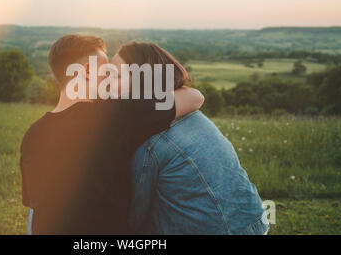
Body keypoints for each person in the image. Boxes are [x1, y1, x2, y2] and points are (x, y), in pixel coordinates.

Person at [20, 35, 205, 234]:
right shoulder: (111, 115)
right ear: (88, 72)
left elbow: (35, 203)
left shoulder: (33, 134)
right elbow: (194, 97)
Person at [111, 42, 269, 235]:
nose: (108, 83)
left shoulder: (150, 137)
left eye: (117, 76)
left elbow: (135, 212)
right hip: (253, 221)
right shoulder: (188, 113)